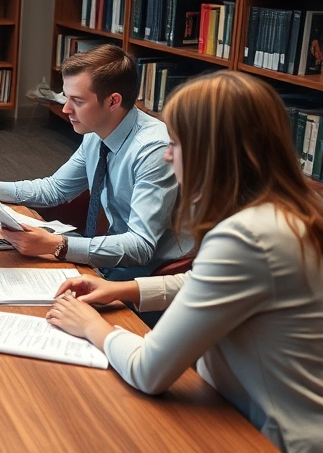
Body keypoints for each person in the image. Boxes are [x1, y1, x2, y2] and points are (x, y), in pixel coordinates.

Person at [46, 72, 323, 453]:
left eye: (176, 143)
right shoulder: (295, 210)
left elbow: (148, 371)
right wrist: (126, 289)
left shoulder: (245, 235)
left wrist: (92, 327)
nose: (167, 154)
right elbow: (214, 283)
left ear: (213, 152)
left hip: (266, 435)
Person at [0, 45, 190, 280]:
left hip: (153, 271)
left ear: (113, 101)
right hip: (110, 254)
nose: (66, 109)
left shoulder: (154, 151)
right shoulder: (96, 132)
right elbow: (56, 189)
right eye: (67, 97)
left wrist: (58, 244)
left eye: (78, 101)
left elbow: (141, 246)